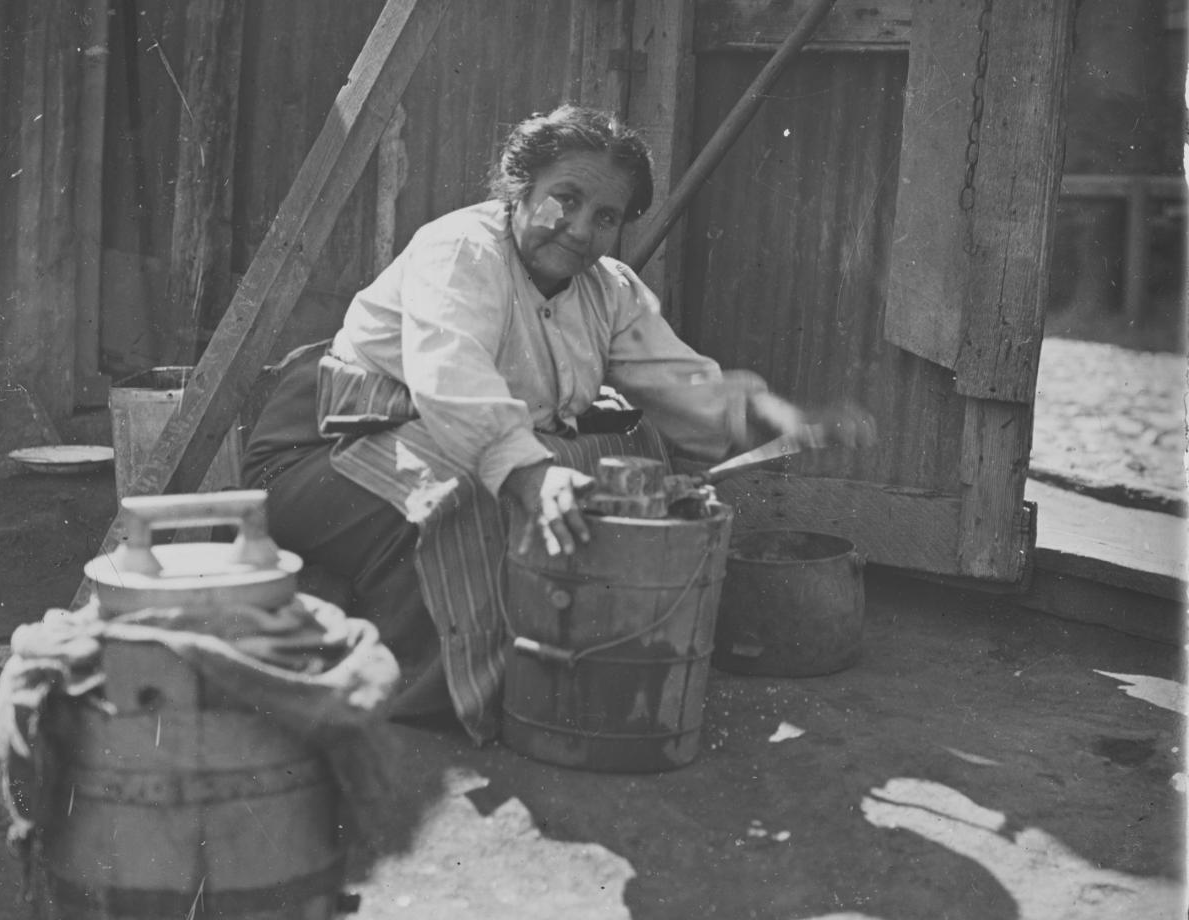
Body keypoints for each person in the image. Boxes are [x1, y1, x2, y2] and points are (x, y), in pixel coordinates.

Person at [242, 104, 874, 742]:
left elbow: (680, 382)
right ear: (518, 190)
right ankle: (430, 689)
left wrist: (781, 415)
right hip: (322, 452)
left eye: (605, 218)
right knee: (482, 487)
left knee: (621, 458)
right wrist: (530, 477)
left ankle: (536, 666)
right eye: (563, 199)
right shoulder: (461, 251)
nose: (578, 230)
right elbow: (452, 380)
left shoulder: (607, 290)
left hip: (430, 444)